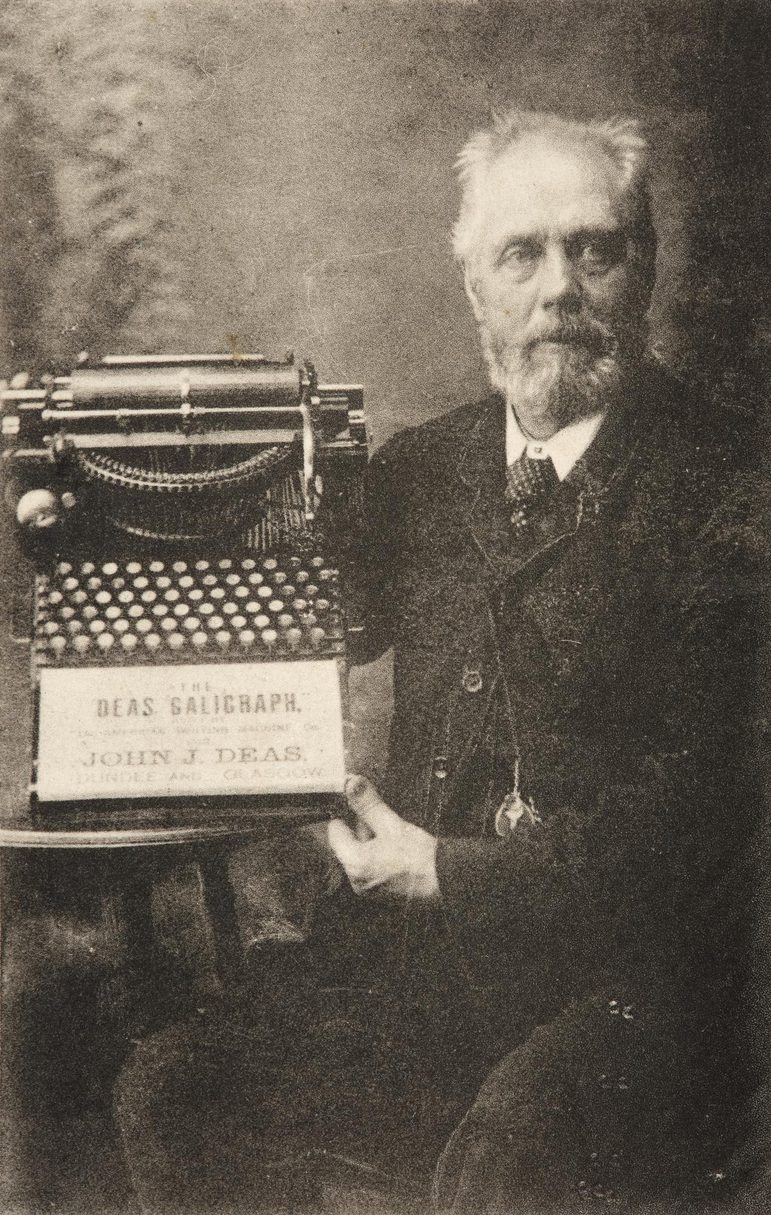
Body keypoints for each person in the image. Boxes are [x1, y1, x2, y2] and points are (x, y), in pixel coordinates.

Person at [114, 111, 765, 1214]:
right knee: (176, 1088)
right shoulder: (426, 469)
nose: (560, 287)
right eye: (522, 254)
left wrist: (443, 871)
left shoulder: (733, 490)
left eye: (593, 248)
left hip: (634, 995)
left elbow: (702, 817)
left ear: (641, 272)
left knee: (507, 1157)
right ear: (475, 293)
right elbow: (283, 634)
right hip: (417, 979)